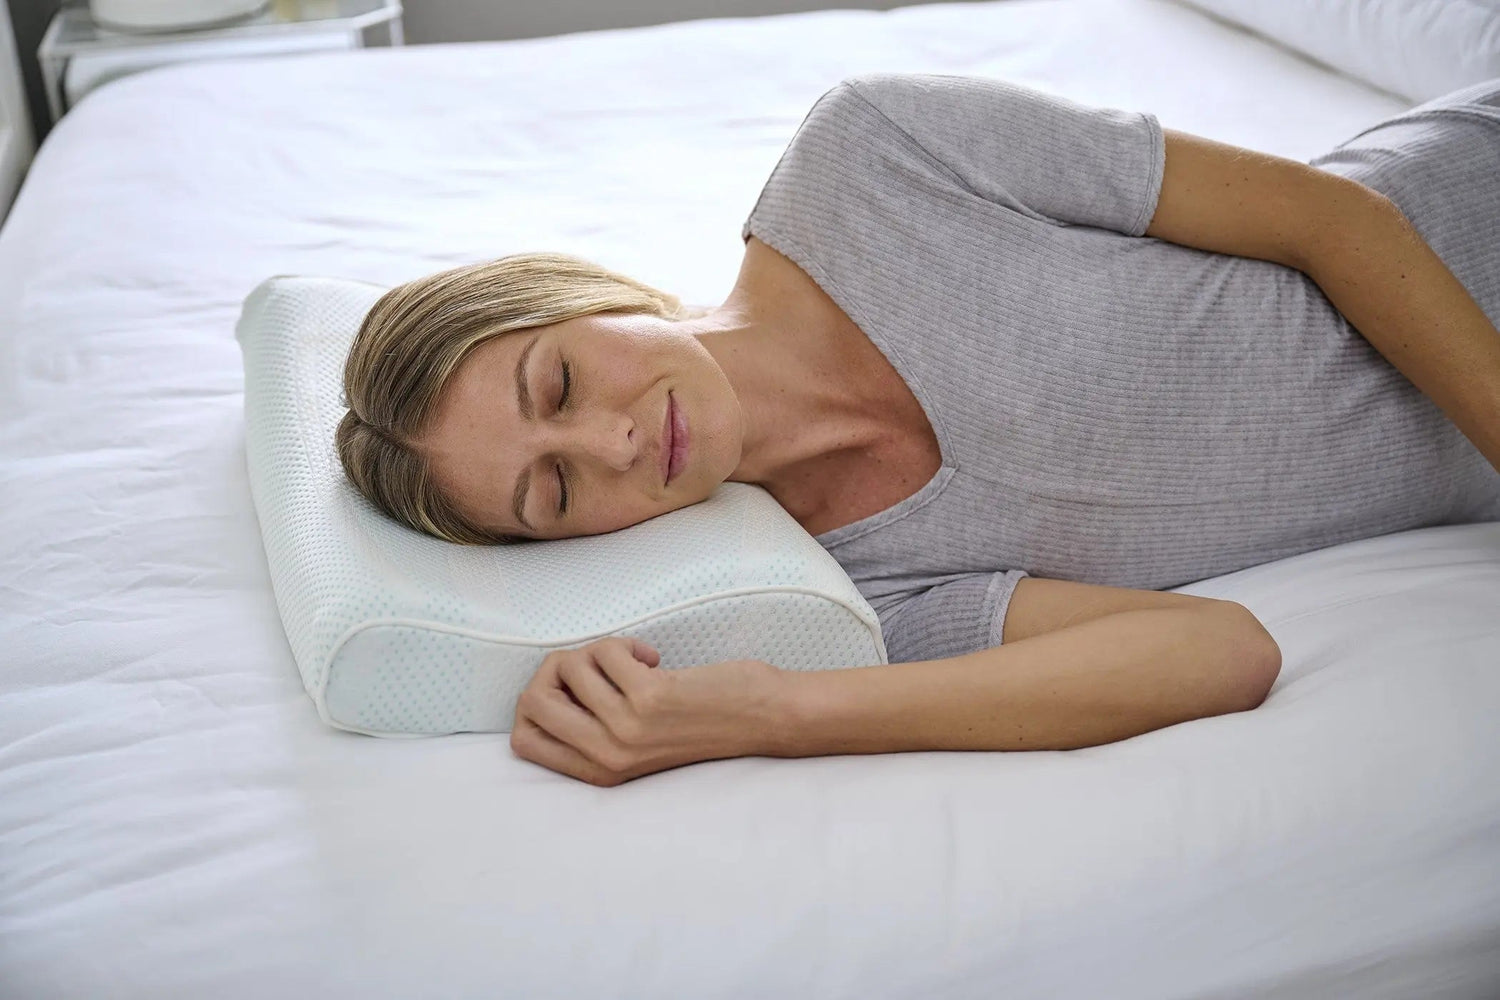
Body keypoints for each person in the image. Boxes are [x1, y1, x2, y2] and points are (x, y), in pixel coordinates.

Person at [337, 73, 1500, 786]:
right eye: (555, 493)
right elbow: (1222, 650)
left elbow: (1329, 216)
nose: (612, 448)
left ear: (577, 297)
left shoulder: (873, 153)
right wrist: (768, 714)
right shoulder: (841, 589)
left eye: (560, 383)